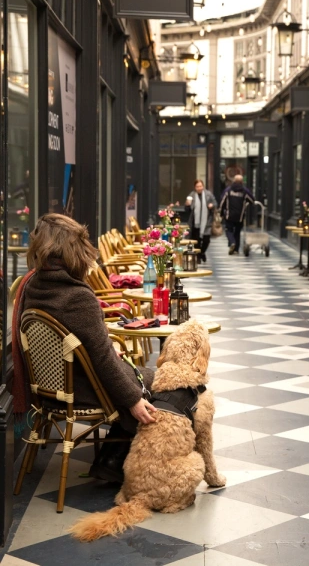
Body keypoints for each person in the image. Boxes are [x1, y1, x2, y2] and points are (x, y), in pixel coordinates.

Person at [18, 214, 156, 482]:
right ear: (72, 250)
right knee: (157, 383)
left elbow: (81, 345)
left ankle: (110, 458)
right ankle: (115, 463)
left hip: (54, 387)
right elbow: (104, 362)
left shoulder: (34, 285)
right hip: (84, 387)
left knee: (137, 377)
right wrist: (134, 401)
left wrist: (100, 349)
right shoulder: (77, 296)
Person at [218, 174, 254, 255]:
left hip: (229, 215)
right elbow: (252, 200)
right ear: (242, 182)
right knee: (237, 232)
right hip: (240, 216)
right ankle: (236, 249)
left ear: (233, 180)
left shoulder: (228, 190)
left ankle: (232, 243)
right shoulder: (245, 191)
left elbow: (222, 201)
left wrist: (221, 213)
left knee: (228, 230)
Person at [185, 179, 216, 263]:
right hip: (195, 222)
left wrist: (211, 205)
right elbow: (187, 210)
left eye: (200, 186)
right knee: (196, 241)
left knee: (206, 240)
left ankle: (202, 252)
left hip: (206, 222)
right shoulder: (192, 195)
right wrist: (187, 205)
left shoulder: (208, 194)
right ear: (195, 187)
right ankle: (198, 256)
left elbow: (215, 203)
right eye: (197, 186)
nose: (199, 188)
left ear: (203, 186)